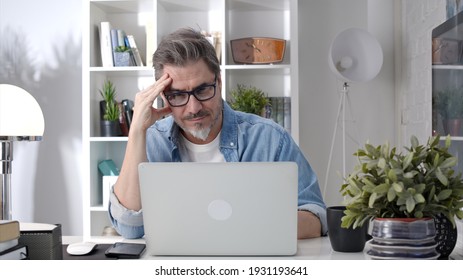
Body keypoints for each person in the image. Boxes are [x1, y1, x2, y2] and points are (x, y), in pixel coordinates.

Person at [109, 27, 327, 240]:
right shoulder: (152, 141)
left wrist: (250, 228)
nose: (193, 107)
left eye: (203, 90)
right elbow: (130, 228)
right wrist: (136, 131)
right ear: (163, 96)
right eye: (177, 95)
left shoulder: (271, 139)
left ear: (219, 82)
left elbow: (316, 216)